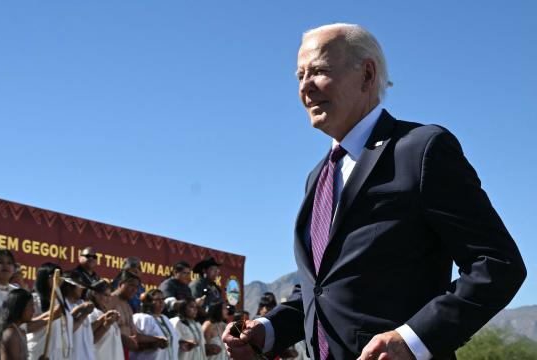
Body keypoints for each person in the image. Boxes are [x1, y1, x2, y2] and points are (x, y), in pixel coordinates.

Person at [223, 23, 526, 360]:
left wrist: (414, 340)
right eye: (299, 76)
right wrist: (268, 329)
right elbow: (322, 289)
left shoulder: (420, 150)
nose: (305, 87)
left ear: (367, 75)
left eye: (319, 71)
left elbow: (498, 264)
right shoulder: (317, 177)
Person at [109, 270, 165, 360]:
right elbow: (105, 329)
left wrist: (156, 339)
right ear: (120, 284)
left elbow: (135, 335)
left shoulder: (128, 307)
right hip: (109, 350)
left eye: (137, 287)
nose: (135, 289)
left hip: (123, 352)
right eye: (131, 285)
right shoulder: (109, 301)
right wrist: (123, 338)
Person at [26, 262, 74, 360]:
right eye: (54, 275)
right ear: (43, 277)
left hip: (59, 353)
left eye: (60, 276)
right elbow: (26, 327)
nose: (59, 279)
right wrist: (50, 315)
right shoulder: (34, 299)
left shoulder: (61, 301)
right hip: (39, 351)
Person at [0, 288, 35, 360]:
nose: (33, 310)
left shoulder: (19, 331)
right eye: (30, 306)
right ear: (19, 307)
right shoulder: (11, 334)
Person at [130, 289, 178, 360]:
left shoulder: (165, 318)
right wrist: (152, 344)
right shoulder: (141, 318)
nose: (161, 302)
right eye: (157, 299)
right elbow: (133, 340)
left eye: (163, 299)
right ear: (148, 302)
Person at [61, 271, 97, 360]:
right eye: (79, 285)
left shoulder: (82, 303)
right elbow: (64, 327)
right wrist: (81, 311)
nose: (82, 288)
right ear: (69, 286)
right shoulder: (60, 305)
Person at [87, 279, 124, 360]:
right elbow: (89, 339)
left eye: (109, 295)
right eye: (105, 295)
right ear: (95, 294)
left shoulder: (107, 313)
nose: (108, 299)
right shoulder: (91, 313)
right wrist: (106, 324)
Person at [189, 257, 222, 322]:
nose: (216, 272)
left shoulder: (215, 286)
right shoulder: (197, 285)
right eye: (212, 269)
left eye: (217, 270)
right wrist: (209, 316)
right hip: (201, 322)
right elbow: (195, 305)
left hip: (215, 322)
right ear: (204, 271)